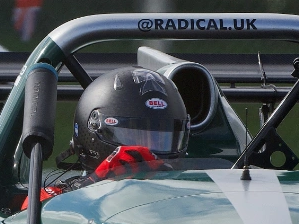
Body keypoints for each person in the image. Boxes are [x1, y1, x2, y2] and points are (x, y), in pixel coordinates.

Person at [24, 66, 189, 205]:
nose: (149, 153)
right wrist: (93, 186)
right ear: (92, 131)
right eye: (133, 138)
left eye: (161, 140)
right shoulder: (50, 201)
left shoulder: (192, 197)